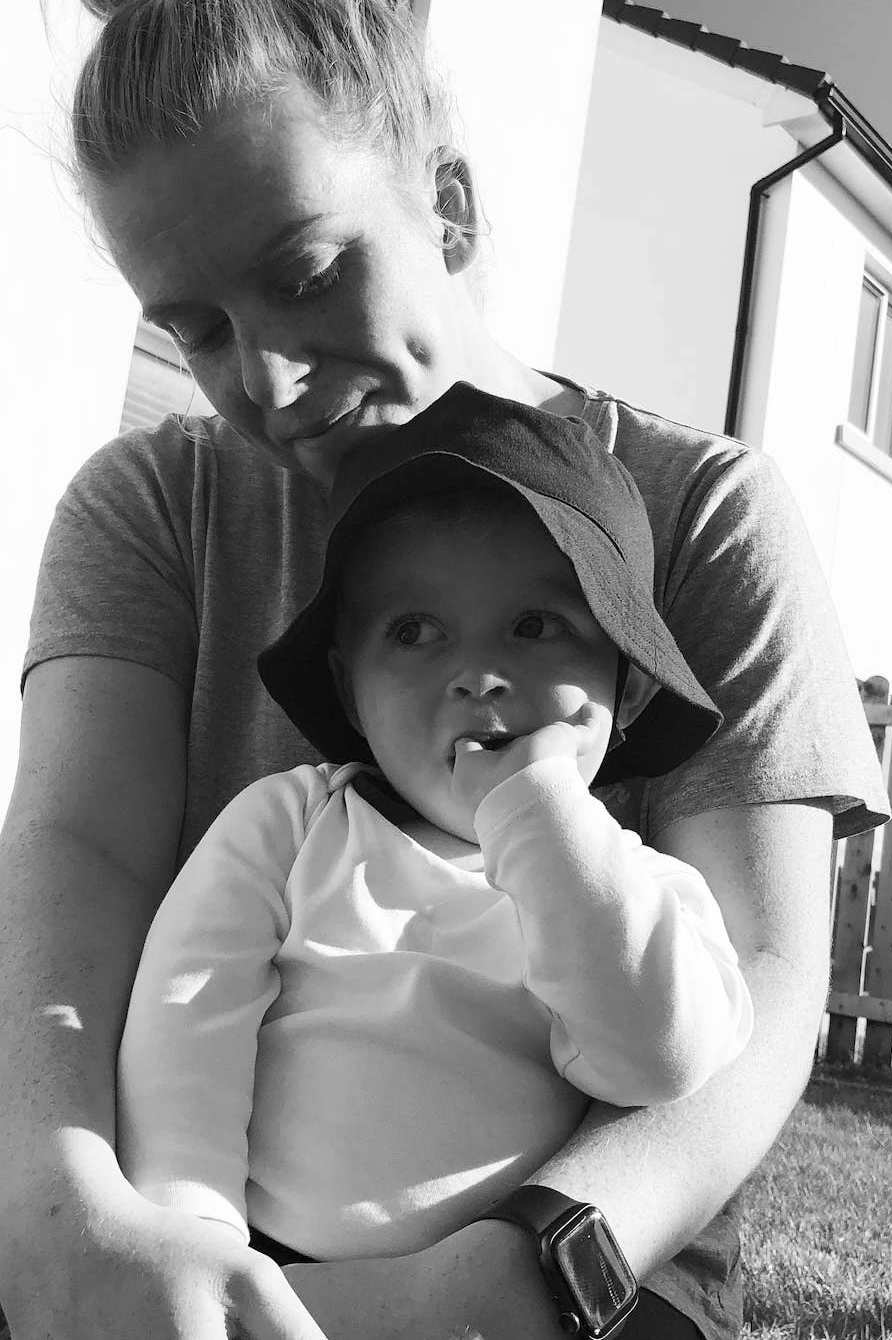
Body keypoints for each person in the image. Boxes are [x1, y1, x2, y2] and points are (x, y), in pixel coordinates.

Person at [0, 0, 889, 1340]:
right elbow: (76, 853)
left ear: (447, 205)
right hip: (204, 1218)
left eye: (308, 274)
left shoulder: (702, 509)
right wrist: (64, 1215)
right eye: (195, 330)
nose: (266, 380)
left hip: (584, 1255)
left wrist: (531, 1266)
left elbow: (764, 985)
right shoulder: (156, 504)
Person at [117, 382, 755, 1272]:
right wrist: (192, 1235)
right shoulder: (292, 824)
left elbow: (657, 1061)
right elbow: (187, 1021)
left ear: (631, 682)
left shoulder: (646, 894)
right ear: (348, 689)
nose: (479, 674)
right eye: (414, 631)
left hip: (496, 1300)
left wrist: (543, 817)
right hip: (260, 1261)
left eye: (535, 625)